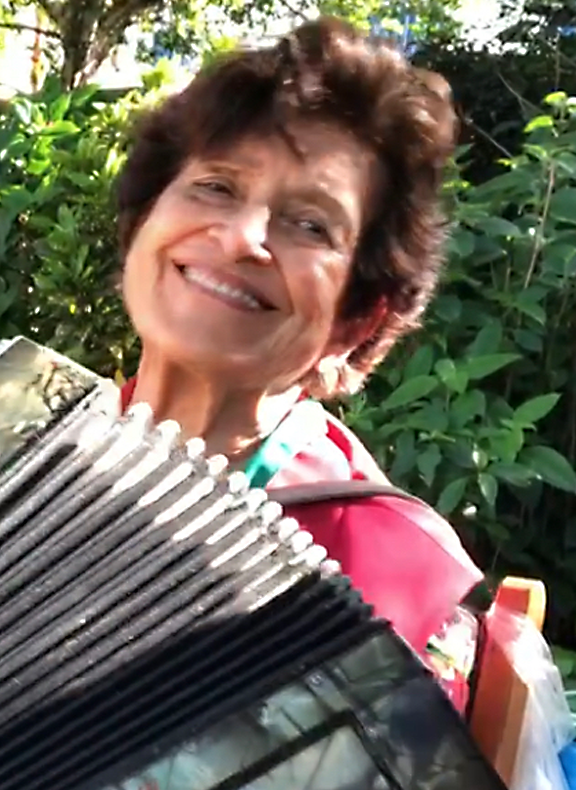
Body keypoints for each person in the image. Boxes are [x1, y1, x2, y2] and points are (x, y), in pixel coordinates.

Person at [113, 17, 484, 710]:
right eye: (217, 187)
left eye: (311, 225)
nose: (242, 238)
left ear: (357, 318)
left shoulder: (385, 575)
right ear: (142, 223)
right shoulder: (5, 453)